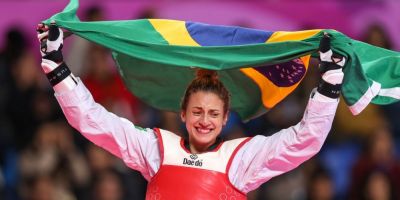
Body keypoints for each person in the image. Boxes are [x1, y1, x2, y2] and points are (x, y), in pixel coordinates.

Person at [36, 23, 345, 199]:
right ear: (182, 114)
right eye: (197, 112)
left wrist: (330, 84)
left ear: (226, 118)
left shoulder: (242, 157)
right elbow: (93, 120)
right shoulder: (157, 148)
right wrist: (56, 66)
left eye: (213, 114)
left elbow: (305, 139)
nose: (204, 121)